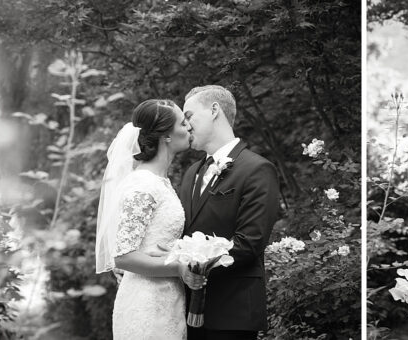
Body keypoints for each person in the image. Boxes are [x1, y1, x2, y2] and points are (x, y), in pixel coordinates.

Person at [178, 85, 281, 340]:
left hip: (232, 313)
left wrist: (197, 267)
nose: (185, 126)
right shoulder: (192, 172)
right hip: (184, 311)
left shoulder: (257, 169)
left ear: (214, 110)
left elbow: (250, 242)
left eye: (189, 116)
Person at [94, 99, 198, 339]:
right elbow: (123, 256)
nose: (189, 127)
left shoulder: (159, 181)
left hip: (167, 298)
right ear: (167, 136)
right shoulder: (143, 185)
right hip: (146, 305)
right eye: (183, 123)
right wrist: (179, 267)